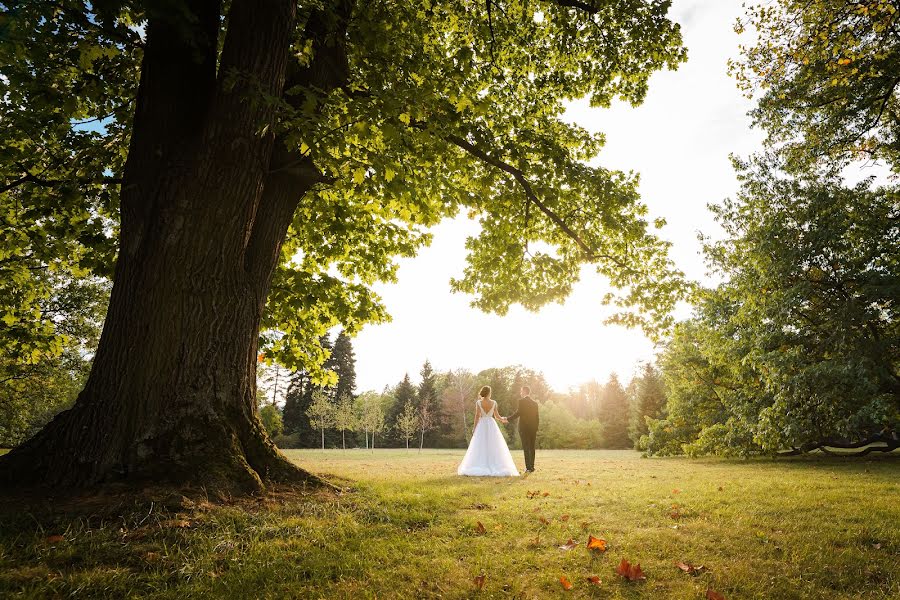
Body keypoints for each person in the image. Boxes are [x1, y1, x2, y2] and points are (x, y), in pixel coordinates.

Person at [457, 385, 519, 477]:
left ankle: (479, 464)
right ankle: (495, 464)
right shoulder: (494, 402)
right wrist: (503, 419)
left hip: (482, 424)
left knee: (480, 444)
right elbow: (497, 416)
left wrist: (474, 428)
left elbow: (477, 416)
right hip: (491, 424)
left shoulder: (478, 402)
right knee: (494, 444)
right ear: (489, 393)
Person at [505, 385, 539, 472]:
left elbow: (518, 413)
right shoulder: (535, 403)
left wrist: (507, 419)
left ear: (524, 391)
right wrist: (536, 428)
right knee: (532, 447)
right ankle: (532, 467)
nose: (520, 393)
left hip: (524, 428)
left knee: (526, 447)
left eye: (521, 391)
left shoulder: (521, 401)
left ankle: (528, 468)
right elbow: (537, 417)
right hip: (533, 428)